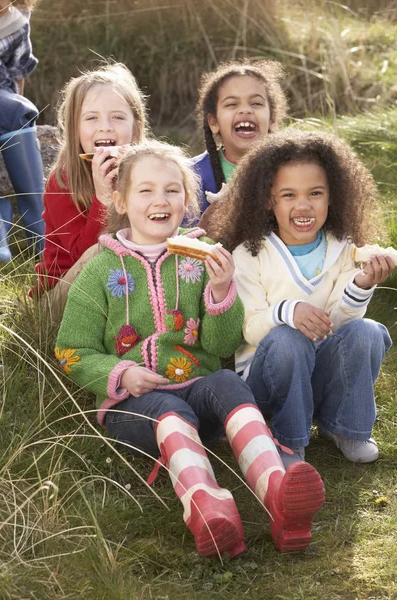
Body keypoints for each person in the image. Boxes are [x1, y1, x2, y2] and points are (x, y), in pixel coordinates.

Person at [55, 140, 325, 558]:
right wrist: (121, 373)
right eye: (145, 191)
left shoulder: (201, 260)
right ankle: (207, 506)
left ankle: (277, 489)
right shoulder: (101, 270)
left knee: (225, 381)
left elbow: (222, 345)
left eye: (172, 190)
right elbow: (72, 350)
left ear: (187, 200)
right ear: (121, 201)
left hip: (198, 393)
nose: (160, 200)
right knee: (170, 411)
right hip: (134, 408)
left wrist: (220, 291)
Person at [208, 129, 394, 467]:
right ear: (269, 199)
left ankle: (345, 427)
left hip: (320, 373)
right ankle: (287, 439)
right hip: (268, 382)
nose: (303, 205)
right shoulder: (250, 255)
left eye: (315, 193)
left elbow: (340, 324)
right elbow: (249, 331)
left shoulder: (343, 249)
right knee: (288, 339)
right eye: (289, 195)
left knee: (367, 330)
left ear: (332, 196)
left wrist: (362, 283)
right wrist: (286, 311)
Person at [30, 62, 148, 320]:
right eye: (91, 117)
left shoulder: (149, 174)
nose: (105, 126)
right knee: (102, 250)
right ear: (75, 129)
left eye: (117, 117)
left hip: (125, 289)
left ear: (136, 129)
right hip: (61, 297)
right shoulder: (62, 181)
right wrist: (103, 198)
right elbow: (80, 258)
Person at [192, 59, 287, 225]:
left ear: (272, 120)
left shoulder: (292, 170)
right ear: (214, 122)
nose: (245, 110)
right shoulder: (192, 176)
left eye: (256, 103)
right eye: (231, 104)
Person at [0, 0, 44, 262]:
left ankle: (41, 232)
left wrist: (18, 108)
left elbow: (18, 71)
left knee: (16, 110)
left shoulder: (15, 23)